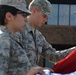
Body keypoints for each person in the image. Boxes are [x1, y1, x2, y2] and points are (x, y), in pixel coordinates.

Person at [15, 0, 76, 73]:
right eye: (44, 16)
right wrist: (37, 68)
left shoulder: (39, 37)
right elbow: (13, 58)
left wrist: (74, 50)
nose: (45, 20)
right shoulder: (17, 31)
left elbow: (53, 55)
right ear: (33, 11)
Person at [0, 0, 33, 75]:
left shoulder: (11, 38)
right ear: (9, 16)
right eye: (23, 15)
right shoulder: (3, 39)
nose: (27, 20)